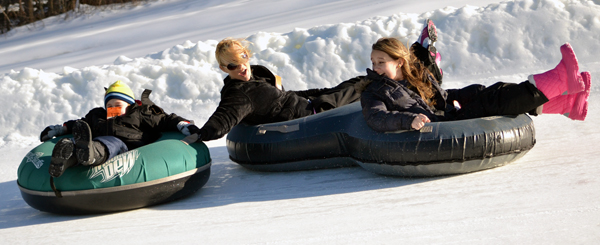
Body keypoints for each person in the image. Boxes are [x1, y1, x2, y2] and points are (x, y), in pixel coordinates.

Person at [359, 21, 591, 132]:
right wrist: (409, 120)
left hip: (446, 111)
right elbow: (377, 118)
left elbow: (439, 97)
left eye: (381, 62)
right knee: (490, 103)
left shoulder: (416, 75)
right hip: (438, 126)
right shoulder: (374, 91)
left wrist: (464, 95)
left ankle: (565, 104)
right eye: (373, 62)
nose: (375, 67)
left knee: (487, 91)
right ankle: (558, 82)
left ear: (399, 62)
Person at [191, 38, 366, 141]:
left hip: (310, 103)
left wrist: (323, 91)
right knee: (363, 88)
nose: (242, 67)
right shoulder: (239, 94)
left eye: (243, 58)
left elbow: (285, 97)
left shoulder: (257, 75)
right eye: (232, 65)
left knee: (355, 81)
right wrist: (199, 135)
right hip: (312, 117)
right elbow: (223, 118)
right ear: (223, 68)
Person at [40, 80, 199, 177]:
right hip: (94, 141)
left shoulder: (138, 113)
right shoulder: (98, 115)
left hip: (125, 145)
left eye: (118, 105)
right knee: (85, 140)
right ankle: (66, 159)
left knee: (110, 143)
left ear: (129, 105)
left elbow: (164, 120)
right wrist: (60, 129)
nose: (112, 108)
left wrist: (183, 124)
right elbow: (79, 124)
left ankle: (89, 154)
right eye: (109, 105)